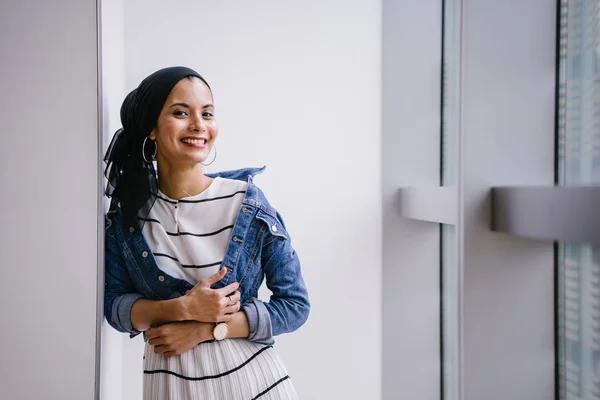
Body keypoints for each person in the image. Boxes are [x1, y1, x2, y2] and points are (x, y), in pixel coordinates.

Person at [103, 66, 310, 400]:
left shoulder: (248, 203)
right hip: (171, 387)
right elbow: (115, 307)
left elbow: (295, 306)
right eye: (181, 113)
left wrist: (206, 330)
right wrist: (181, 309)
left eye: (207, 113)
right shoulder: (127, 217)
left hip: (254, 383)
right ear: (152, 128)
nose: (199, 125)